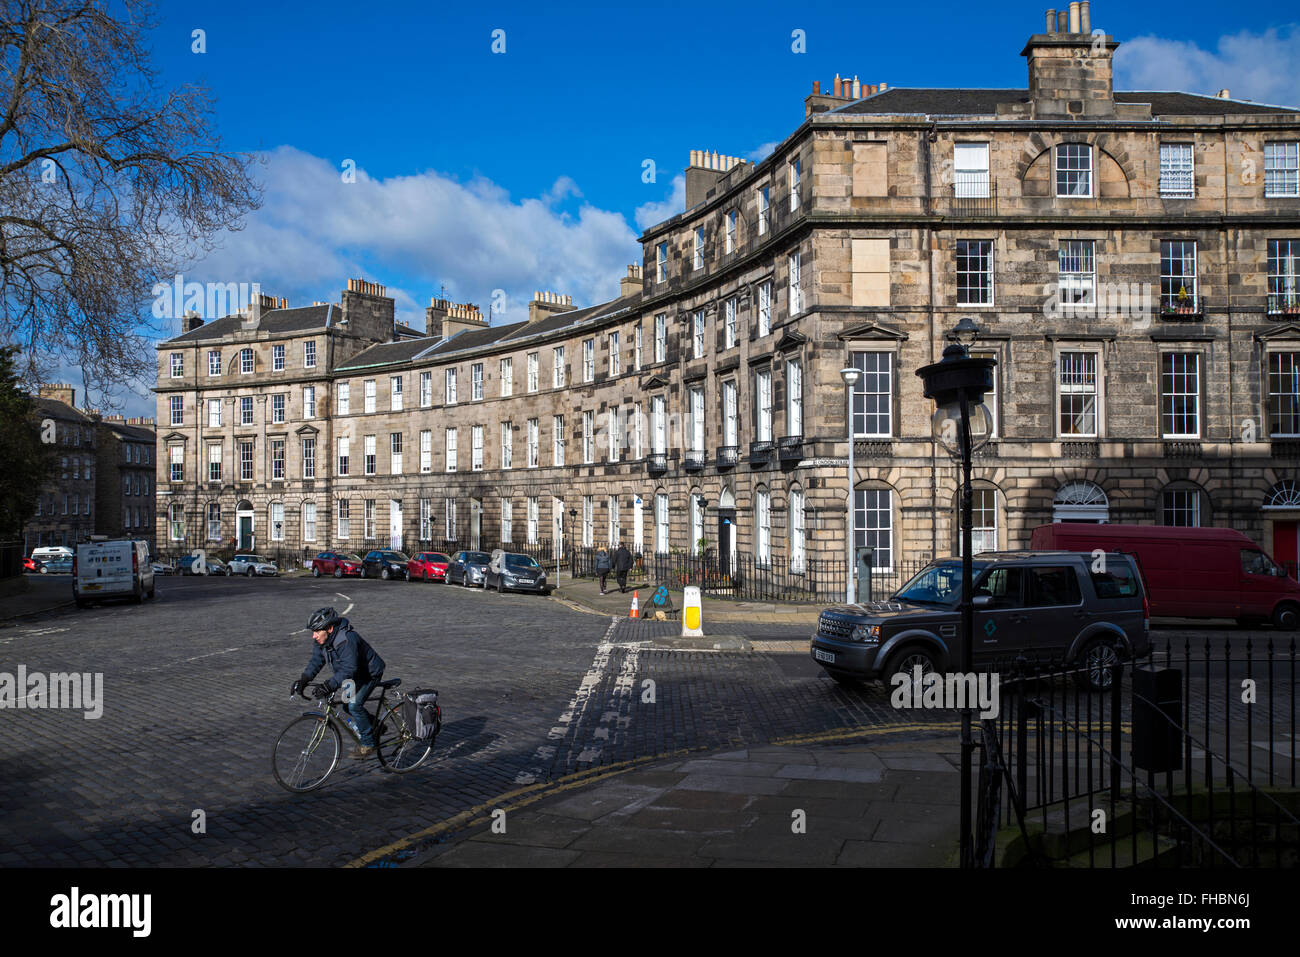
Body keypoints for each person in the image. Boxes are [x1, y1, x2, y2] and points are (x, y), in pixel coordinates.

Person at [291, 607, 387, 760]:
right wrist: (304, 679)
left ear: (329, 628)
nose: (314, 636)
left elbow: (349, 669)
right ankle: (377, 725)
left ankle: (368, 744)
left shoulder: (346, 639)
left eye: (316, 631)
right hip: (354, 674)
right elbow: (317, 660)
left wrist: (329, 685)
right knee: (345, 704)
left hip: (369, 674)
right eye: (313, 632)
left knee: (354, 705)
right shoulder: (322, 640)